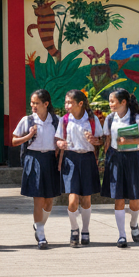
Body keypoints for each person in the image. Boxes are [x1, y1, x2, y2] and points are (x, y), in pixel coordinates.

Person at [11, 89, 60, 249]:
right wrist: (29, 135)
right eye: (31, 103)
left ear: (46, 104)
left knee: (49, 200)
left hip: (51, 160)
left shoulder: (56, 121)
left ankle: (39, 225)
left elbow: (61, 139)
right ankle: (41, 235)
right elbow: (14, 141)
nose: (33, 106)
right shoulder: (27, 120)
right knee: (38, 198)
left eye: (36, 103)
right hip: (34, 159)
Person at [101, 88, 139, 248]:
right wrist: (104, 159)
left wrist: (129, 141)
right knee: (119, 198)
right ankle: (122, 235)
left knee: (134, 201)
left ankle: (134, 224)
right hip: (116, 159)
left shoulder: (136, 118)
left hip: (132, 159)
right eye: (109, 101)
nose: (110, 104)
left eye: (113, 101)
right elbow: (107, 140)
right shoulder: (110, 119)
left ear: (123, 102)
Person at [55, 88, 103, 247]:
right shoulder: (64, 120)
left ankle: (85, 230)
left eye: (70, 102)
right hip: (70, 159)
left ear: (80, 103)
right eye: (66, 102)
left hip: (87, 159)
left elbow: (100, 140)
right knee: (73, 199)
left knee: (86, 198)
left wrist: (95, 141)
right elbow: (58, 139)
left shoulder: (92, 120)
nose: (66, 105)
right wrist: (60, 143)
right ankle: (74, 228)